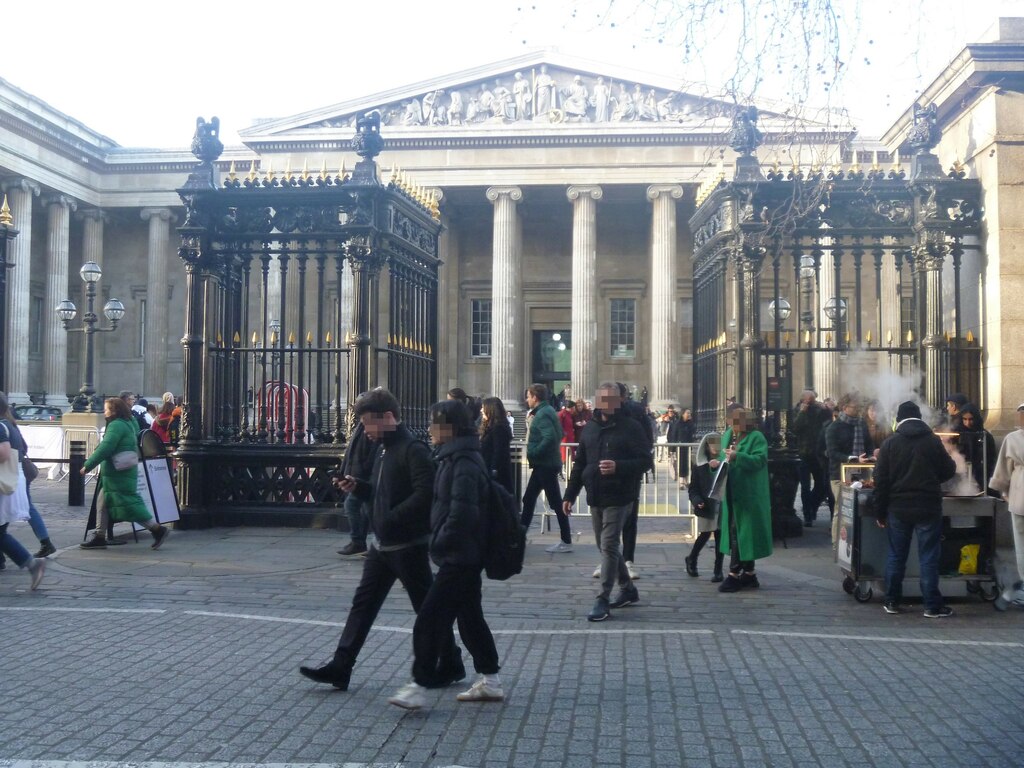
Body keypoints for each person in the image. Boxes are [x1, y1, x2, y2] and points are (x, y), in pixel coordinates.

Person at [299, 388, 463, 691]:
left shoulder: (413, 450)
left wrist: (391, 516)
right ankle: (341, 666)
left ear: (388, 418)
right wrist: (358, 487)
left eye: (368, 423)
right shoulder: (384, 449)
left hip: (408, 545)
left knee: (426, 609)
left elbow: (426, 494)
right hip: (383, 546)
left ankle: (451, 661)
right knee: (362, 606)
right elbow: (379, 491)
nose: (365, 430)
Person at [388, 400, 503, 710]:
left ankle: (419, 685)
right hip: (462, 554)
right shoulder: (454, 457)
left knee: (429, 621)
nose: (429, 430)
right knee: (469, 618)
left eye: (434, 424)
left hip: (459, 556)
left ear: (449, 428)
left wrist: (440, 541)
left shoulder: (463, 461)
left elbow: (462, 514)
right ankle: (490, 680)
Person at [563, 382, 652, 621]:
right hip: (596, 494)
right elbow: (580, 462)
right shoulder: (590, 429)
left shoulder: (631, 427)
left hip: (622, 494)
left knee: (610, 543)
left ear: (620, 400)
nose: (607, 403)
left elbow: (645, 461)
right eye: (603, 398)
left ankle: (602, 598)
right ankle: (628, 589)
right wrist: (570, 495)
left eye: (611, 398)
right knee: (605, 546)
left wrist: (619, 467)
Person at [873, 401, 958, 617]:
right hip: (928, 506)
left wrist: (880, 512)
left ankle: (891, 601)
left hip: (898, 507)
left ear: (899, 419)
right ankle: (931, 605)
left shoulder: (890, 443)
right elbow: (949, 469)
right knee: (928, 557)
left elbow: (880, 481)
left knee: (896, 555)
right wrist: (932, 479)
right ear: (920, 418)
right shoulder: (932, 441)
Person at [79, 397, 170, 550]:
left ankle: (157, 529)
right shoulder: (129, 422)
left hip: (118, 473)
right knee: (102, 502)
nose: (104, 412)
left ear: (115, 411)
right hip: (121, 472)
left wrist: (88, 466)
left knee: (130, 505)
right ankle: (100, 535)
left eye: (107, 409)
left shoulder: (116, 426)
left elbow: (105, 448)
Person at [717, 408, 773, 592]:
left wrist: (737, 456)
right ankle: (749, 574)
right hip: (731, 491)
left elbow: (759, 460)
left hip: (749, 492)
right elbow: (721, 457)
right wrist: (715, 464)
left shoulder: (756, 437)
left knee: (738, 532)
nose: (731, 425)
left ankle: (733, 574)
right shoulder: (727, 435)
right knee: (741, 532)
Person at [0, 392, 56, 561]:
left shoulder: (3, 426)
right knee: (6, 520)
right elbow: (23, 447)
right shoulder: (11, 424)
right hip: (18, 473)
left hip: (8, 476)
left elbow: (4, 452)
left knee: (5, 522)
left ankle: (36, 553)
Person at [521, 383, 573, 553]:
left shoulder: (542, 414)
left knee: (556, 503)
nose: (527, 399)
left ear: (535, 397)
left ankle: (566, 540)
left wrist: (534, 452)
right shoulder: (547, 410)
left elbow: (550, 437)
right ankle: (519, 537)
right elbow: (558, 434)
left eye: (528, 396)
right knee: (529, 500)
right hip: (547, 464)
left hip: (545, 464)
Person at [825, 393, 875, 543]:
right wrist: (852, 459)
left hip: (862, 472)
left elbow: (868, 444)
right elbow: (832, 453)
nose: (858, 410)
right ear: (844, 407)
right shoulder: (834, 427)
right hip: (839, 474)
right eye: (855, 407)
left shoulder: (861, 423)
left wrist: (872, 454)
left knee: (860, 507)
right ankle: (837, 542)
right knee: (841, 508)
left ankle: (857, 540)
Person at [618, 382, 655, 579]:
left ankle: (626, 559)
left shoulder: (635, 414)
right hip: (608, 473)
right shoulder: (600, 416)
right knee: (609, 518)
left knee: (628, 516)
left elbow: (647, 441)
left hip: (630, 471)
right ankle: (614, 559)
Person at [989, 401, 1024, 608]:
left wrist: (1002, 490)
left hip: (1020, 496)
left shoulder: (1013, 439)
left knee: (1021, 544)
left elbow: (1003, 469)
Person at [685, 432, 725, 582]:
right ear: (707, 446)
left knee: (720, 536)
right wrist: (697, 501)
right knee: (705, 534)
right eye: (712, 443)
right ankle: (692, 558)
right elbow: (693, 488)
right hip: (706, 505)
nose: (715, 447)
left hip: (721, 505)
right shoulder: (700, 466)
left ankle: (718, 569)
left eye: (718, 443)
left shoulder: (725, 463)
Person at [336, 419, 377, 557]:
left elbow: (372, 455)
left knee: (352, 506)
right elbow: (349, 453)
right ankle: (363, 542)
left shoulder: (370, 427)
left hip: (363, 477)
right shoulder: (360, 427)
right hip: (355, 475)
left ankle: (358, 541)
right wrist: (342, 472)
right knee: (365, 510)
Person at [790, 389, 829, 527]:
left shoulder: (818, 410)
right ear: (802, 400)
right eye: (807, 401)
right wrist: (802, 412)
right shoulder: (796, 411)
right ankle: (808, 515)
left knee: (822, 485)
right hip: (803, 453)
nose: (810, 403)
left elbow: (827, 423)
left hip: (817, 453)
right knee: (805, 486)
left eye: (812, 401)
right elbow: (795, 428)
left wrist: (826, 408)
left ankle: (812, 506)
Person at [955, 403, 997, 496]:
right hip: (960, 476)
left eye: (971, 419)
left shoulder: (985, 436)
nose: (968, 423)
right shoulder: (956, 434)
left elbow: (990, 459)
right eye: (964, 419)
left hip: (981, 476)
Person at [480, 397, 514, 494]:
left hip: (495, 471)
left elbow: (498, 451)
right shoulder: (490, 426)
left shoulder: (498, 428)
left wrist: (493, 469)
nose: (481, 410)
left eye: (483, 407)